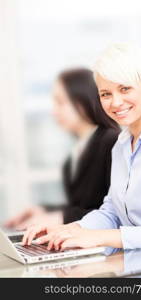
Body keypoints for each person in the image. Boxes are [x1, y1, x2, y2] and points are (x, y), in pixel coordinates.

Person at [22, 43, 141, 255]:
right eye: (106, 94)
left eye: (125, 89)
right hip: (134, 266)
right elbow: (111, 212)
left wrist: (96, 237)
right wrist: (69, 229)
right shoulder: (122, 144)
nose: (116, 102)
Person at [5, 68, 120, 230]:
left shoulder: (112, 142)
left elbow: (116, 213)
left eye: (60, 102)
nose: (54, 111)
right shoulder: (72, 160)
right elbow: (82, 206)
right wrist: (45, 210)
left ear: (82, 99)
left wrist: (61, 217)